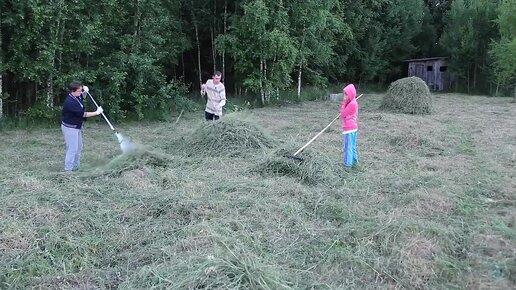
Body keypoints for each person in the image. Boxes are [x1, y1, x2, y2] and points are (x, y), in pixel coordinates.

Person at [61, 81, 103, 172]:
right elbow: (83, 114)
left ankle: (76, 167)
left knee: (79, 147)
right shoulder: (70, 102)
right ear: (73, 91)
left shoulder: (76, 96)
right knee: (72, 149)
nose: (81, 92)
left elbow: (82, 96)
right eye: (79, 91)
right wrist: (96, 112)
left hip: (77, 126)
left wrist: (84, 91)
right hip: (70, 128)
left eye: (81, 90)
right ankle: (68, 171)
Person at [340, 84, 359, 168]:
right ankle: (355, 162)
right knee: (352, 146)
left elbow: (343, 114)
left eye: (346, 94)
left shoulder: (352, 104)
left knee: (348, 147)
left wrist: (344, 103)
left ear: (350, 94)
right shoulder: (353, 102)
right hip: (353, 128)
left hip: (349, 129)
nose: (344, 96)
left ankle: (347, 165)